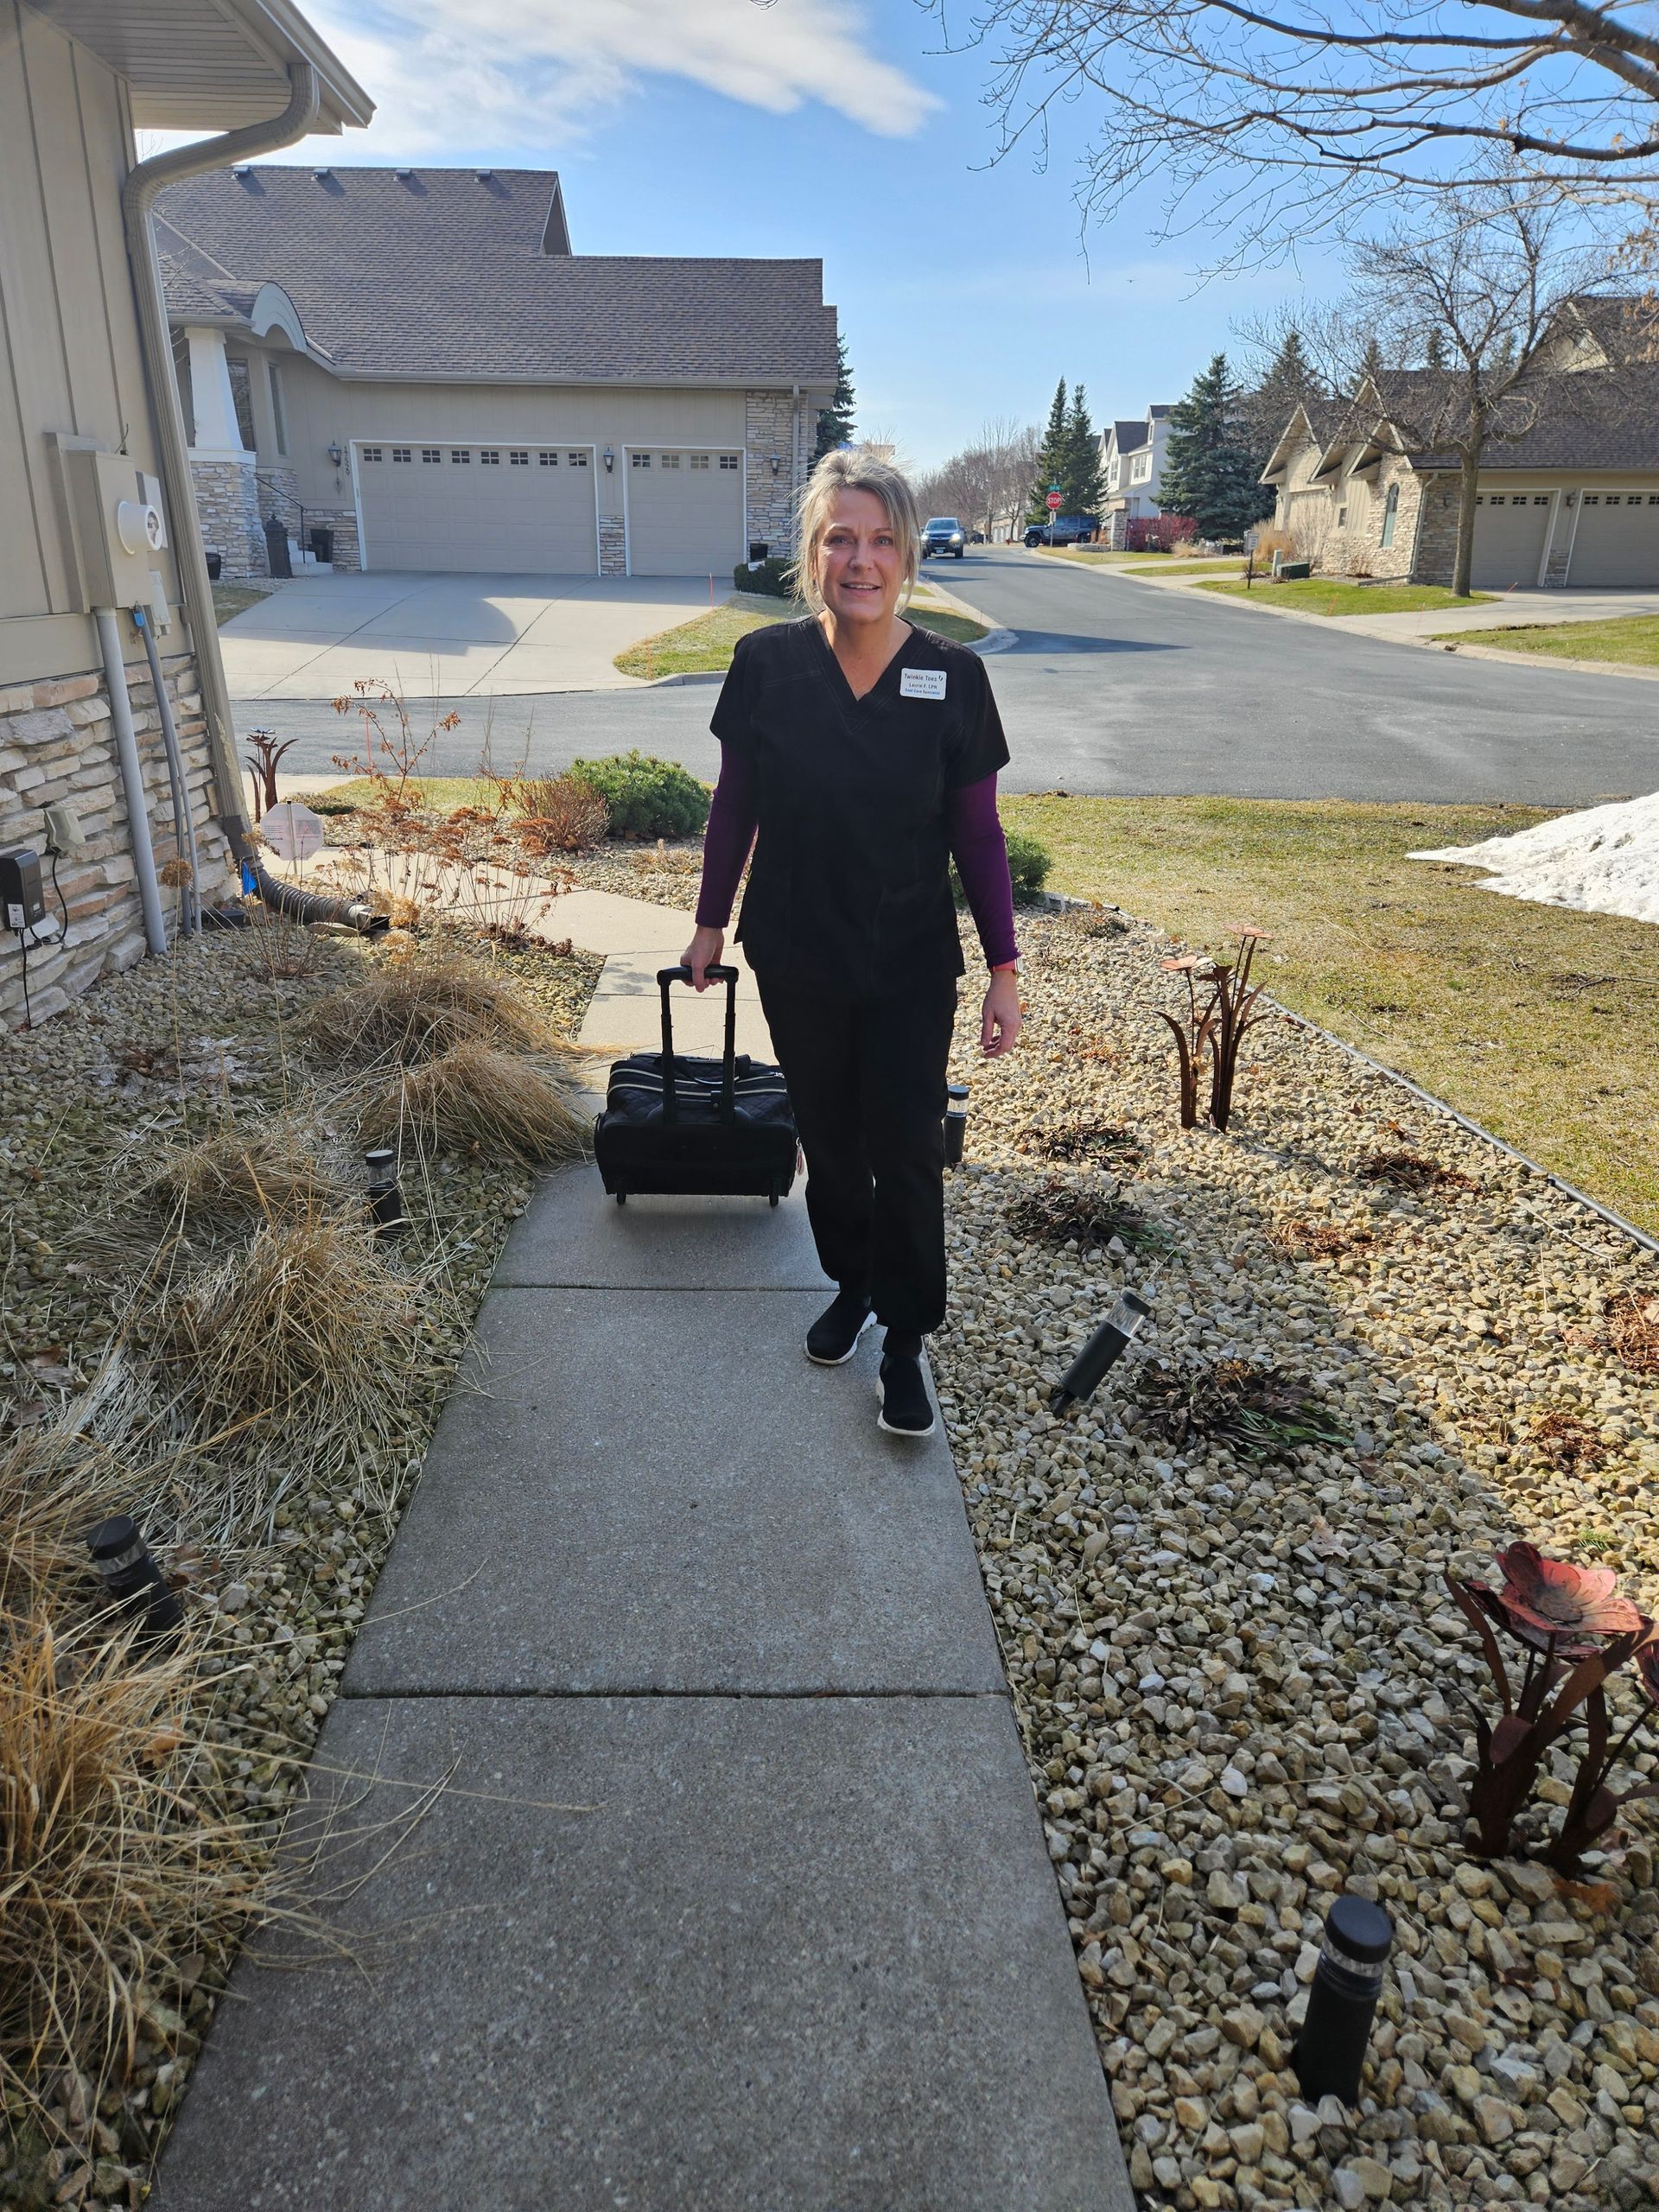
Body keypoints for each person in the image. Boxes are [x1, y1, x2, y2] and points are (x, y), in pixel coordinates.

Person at [681, 448, 1021, 1440]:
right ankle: (854, 1282)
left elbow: (979, 835)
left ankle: (906, 1336)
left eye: (880, 540)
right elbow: (735, 804)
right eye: (841, 538)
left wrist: (1004, 970)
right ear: (813, 554)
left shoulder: (954, 678)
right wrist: (709, 924)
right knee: (828, 1146)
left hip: (911, 960)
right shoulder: (767, 666)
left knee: (906, 1148)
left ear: (907, 555)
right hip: (797, 949)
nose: (860, 560)